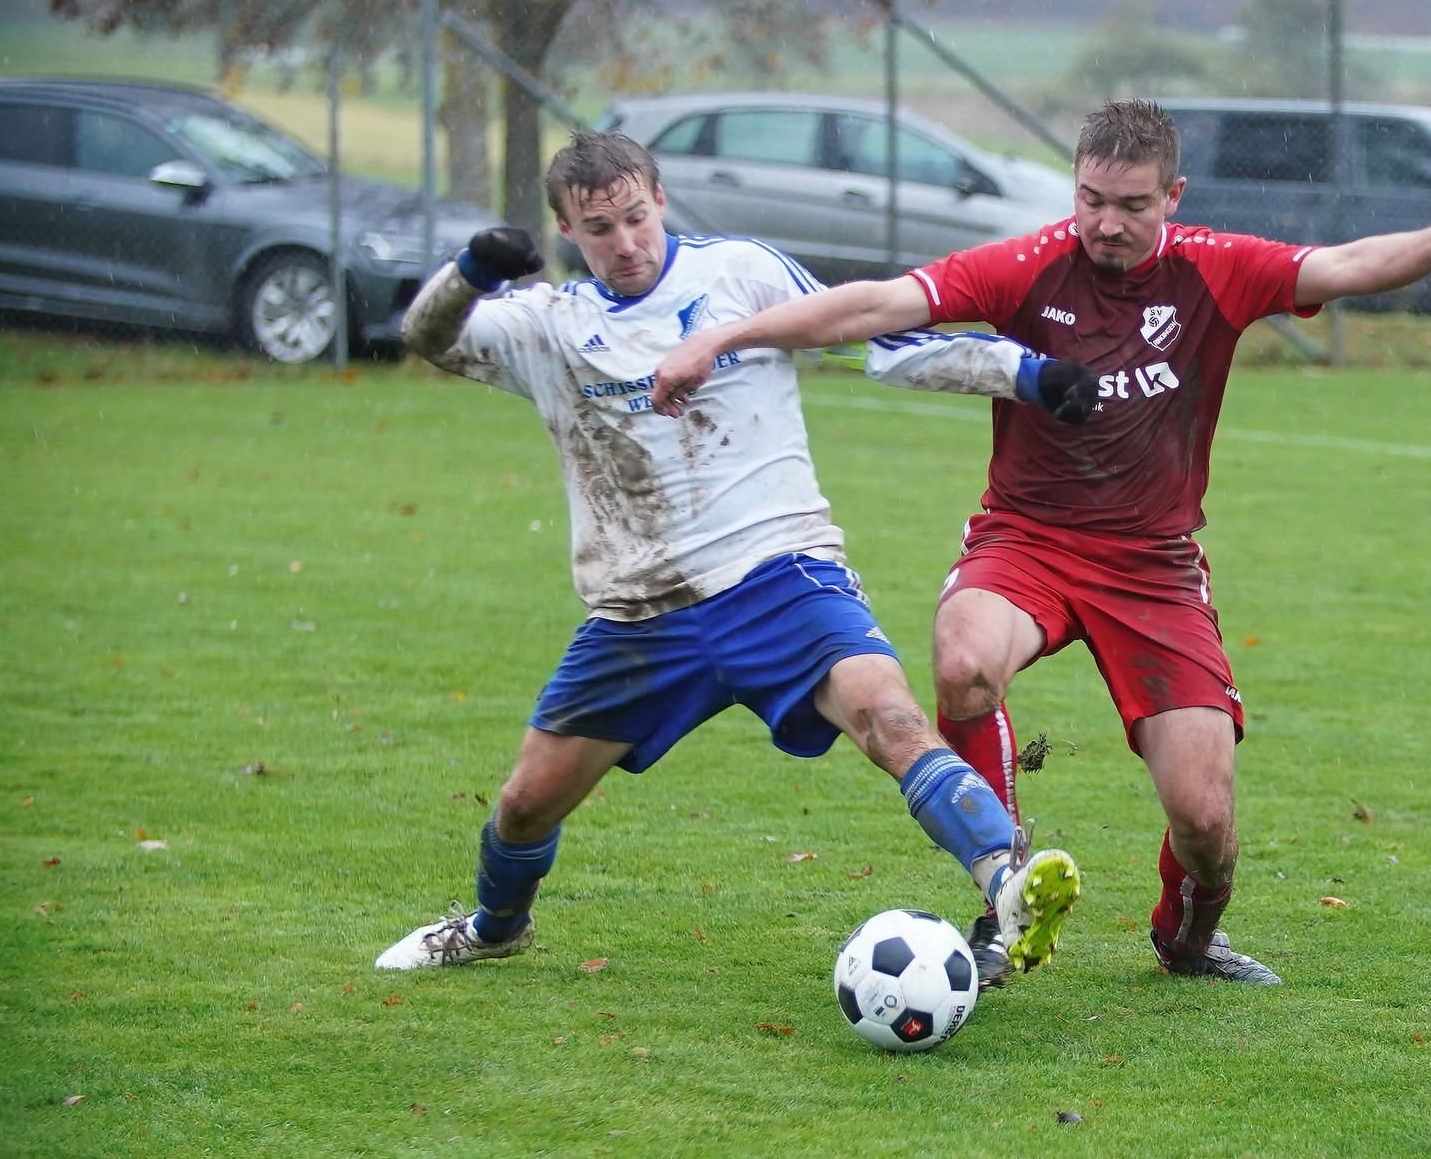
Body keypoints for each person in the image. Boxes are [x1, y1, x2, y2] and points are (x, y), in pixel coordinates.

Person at [651, 99, 1431, 987]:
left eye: (1132, 205)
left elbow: (1345, 265)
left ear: (1173, 197)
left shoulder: (1215, 269)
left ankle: (1188, 940)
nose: (1106, 223)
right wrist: (729, 335)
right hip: (1026, 541)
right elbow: (882, 304)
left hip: (1154, 569)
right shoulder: (1029, 266)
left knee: (1203, 821)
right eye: (1091, 199)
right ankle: (1005, 886)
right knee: (961, 664)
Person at [374, 130, 1094, 975]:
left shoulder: (740, 274)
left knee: (891, 718)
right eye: (600, 228)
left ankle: (1008, 882)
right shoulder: (550, 325)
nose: (627, 242)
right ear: (568, 230)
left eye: (637, 217)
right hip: (640, 613)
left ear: (662, 200)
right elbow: (427, 335)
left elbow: (884, 343)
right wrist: (474, 270)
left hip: (779, 578)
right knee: (527, 804)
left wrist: (1030, 376)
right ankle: (495, 930)